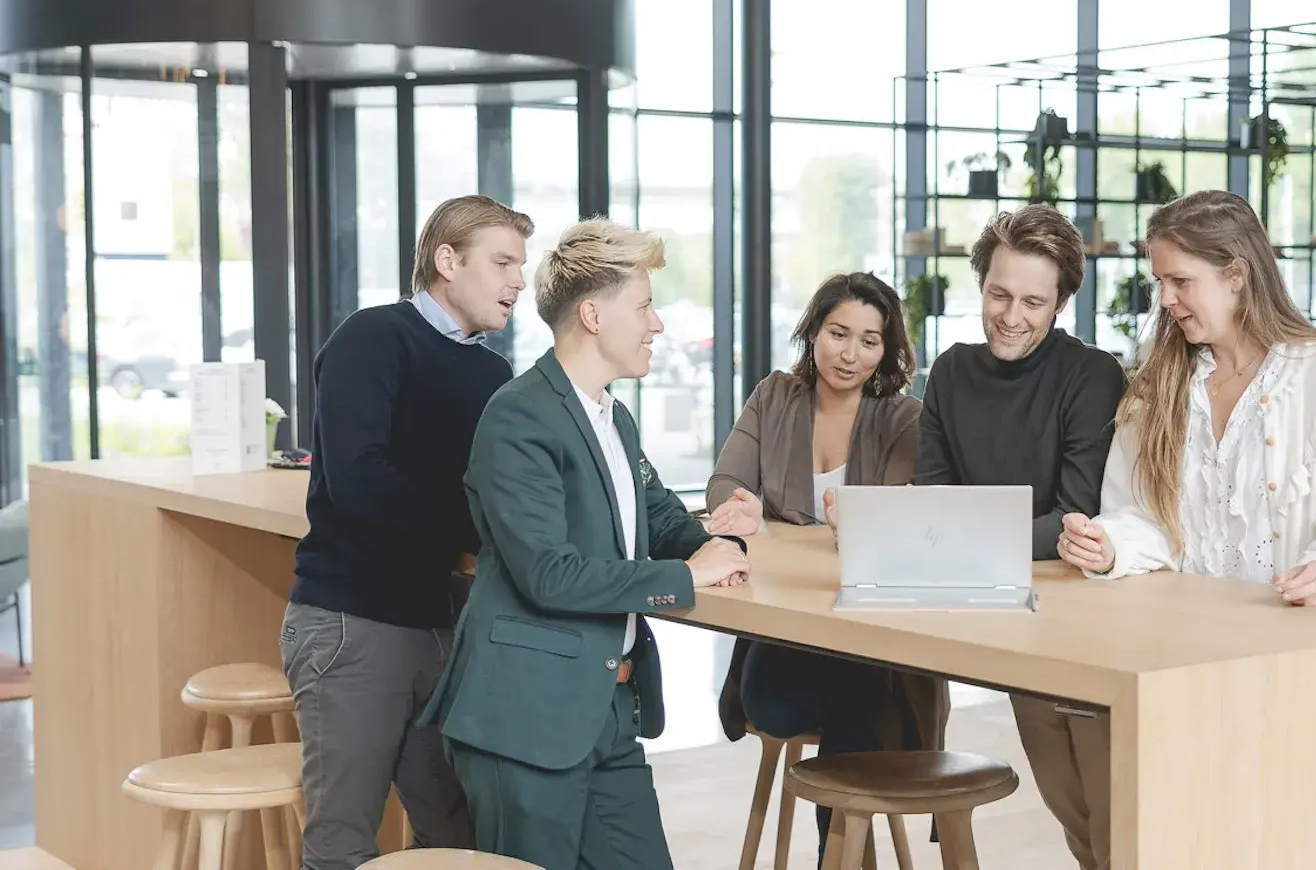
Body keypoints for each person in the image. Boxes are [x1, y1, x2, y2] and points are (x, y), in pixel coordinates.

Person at [1056, 190, 1316, 865]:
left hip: (1294, 659)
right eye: (1160, 281)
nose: (1165, 298)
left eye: (1180, 281)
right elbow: (1143, 518)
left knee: (1281, 833)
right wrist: (1110, 546)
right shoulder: (1159, 385)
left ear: (1237, 275)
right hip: (1180, 662)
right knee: (1184, 832)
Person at [418, 218, 752, 870]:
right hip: (525, 717)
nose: (657, 325)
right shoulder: (517, 416)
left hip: (608, 710)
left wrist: (723, 537)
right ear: (594, 315)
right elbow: (549, 573)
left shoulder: (611, 416)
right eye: (646, 306)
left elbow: (657, 519)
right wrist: (690, 577)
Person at [282, 195, 532, 868]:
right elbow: (359, 480)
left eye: (522, 265)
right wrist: (483, 522)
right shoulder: (373, 337)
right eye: (503, 262)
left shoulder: (490, 372)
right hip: (353, 620)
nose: (519, 281)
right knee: (343, 841)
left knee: (455, 832)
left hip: (441, 620)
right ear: (447, 261)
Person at [907, 203, 1127, 870]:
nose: (1011, 314)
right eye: (999, 293)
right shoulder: (950, 372)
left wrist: (962, 535)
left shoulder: (1092, 375)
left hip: (1088, 611)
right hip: (1008, 607)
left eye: (1034, 300)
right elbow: (930, 499)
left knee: (1111, 808)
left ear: (1060, 301)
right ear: (981, 284)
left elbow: (1076, 512)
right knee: (1067, 803)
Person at [702, 271, 947, 861]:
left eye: (870, 340)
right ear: (814, 330)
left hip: (869, 632)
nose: (851, 353)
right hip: (789, 629)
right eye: (839, 333)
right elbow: (724, 483)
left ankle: (831, 857)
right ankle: (843, 855)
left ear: (887, 350)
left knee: (861, 697)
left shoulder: (901, 418)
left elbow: (894, 525)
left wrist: (853, 526)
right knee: (838, 710)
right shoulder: (774, 396)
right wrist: (741, 507)